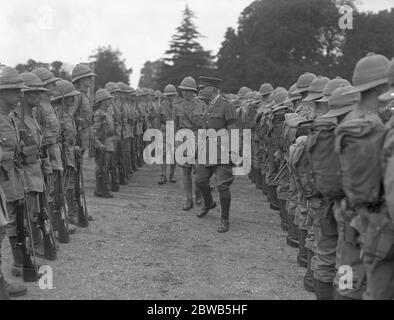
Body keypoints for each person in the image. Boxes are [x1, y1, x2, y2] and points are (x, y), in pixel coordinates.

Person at [195, 76, 237, 233]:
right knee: (200, 180)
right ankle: (208, 202)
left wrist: (234, 151)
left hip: (222, 152)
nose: (200, 90)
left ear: (212, 89)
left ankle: (225, 219)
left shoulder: (226, 105)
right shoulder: (207, 106)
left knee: (222, 185)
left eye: (202, 88)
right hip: (207, 150)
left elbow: (233, 129)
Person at [0, 66, 28, 297]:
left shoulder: (7, 119)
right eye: (15, 90)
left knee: (2, 231)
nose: (20, 94)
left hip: (8, 182)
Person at [51, 80, 82, 227]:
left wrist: (74, 146)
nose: (73, 98)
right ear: (62, 98)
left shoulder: (67, 114)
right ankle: (59, 220)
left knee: (68, 185)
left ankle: (69, 215)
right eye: (70, 96)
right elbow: (58, 137)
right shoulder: (57, 113)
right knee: (61, 188)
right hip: (62, 156)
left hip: (69, 154)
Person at [174, 76, 205, 210]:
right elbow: (174, 126)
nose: (184, 93)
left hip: (198, 139)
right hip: (183, 140)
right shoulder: (177, 106)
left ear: (194, 92)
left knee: (198, 172)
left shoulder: (202, 105)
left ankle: (198, 193)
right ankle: (188, 199)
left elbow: (205, 126)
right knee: (185, 172)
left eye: (187, 90)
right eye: (182, 90)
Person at [90, 89, 116, 198]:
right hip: (103, 145)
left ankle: (101, 189)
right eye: (108, 99)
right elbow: (93, 132)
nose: (110, 101)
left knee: (105, 168)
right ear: (103, 101)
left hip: (109, 143)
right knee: (102, 169)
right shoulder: (98, 114)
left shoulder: (107, 113)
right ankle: (103, 190)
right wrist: (98, 144)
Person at [156, 84, 177, 185]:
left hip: (175, 130)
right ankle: (163, 175)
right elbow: (158, 121)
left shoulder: (178, 105)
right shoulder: (162, 106)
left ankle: (172, 174)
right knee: (163, 154)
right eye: (168, 95)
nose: (169, 97)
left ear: (175, 95)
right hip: (164, 130)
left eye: (171, 95)